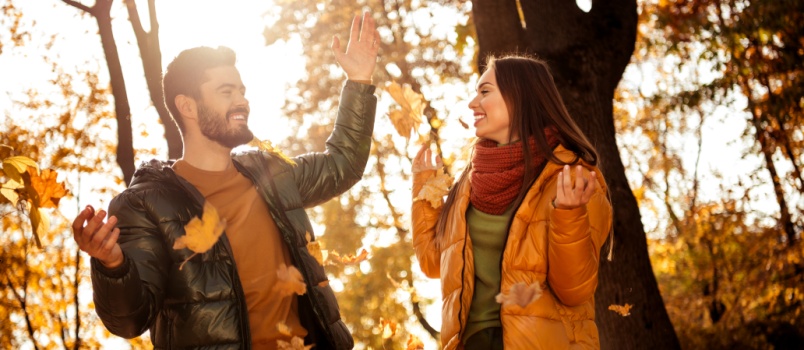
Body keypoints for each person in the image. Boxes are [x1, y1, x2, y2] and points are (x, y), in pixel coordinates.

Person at [71, 12, 380, 350]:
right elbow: (129, 320)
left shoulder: (272, 174)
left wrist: (360, 81)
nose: (242, 100)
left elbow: (343, 165)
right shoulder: (144, 204)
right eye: (226, 91)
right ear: (188, 106)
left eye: (242, 90)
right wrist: (113, 266)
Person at [411, 55, 613, 350]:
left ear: (519, 95)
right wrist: (424, 192)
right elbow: (432, 263)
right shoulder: (469, 183)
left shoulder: (572, 176)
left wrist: (569, 216)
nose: (472, 103)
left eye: (485, 91)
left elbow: (574, 291)